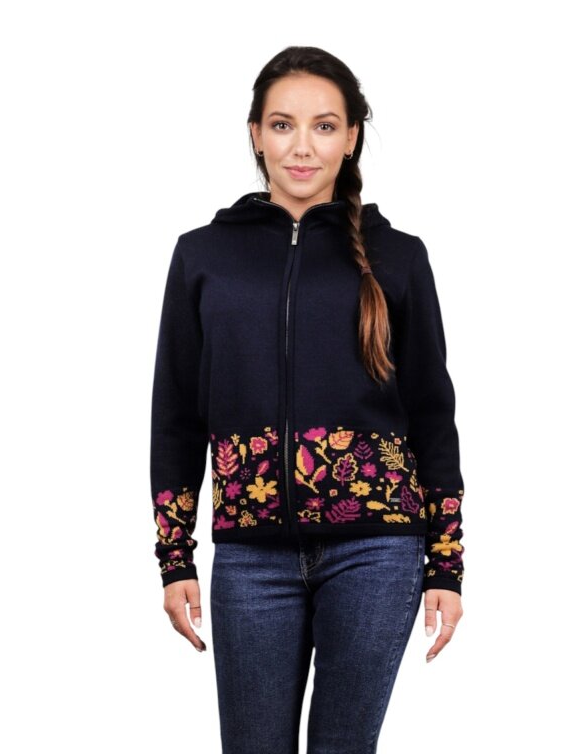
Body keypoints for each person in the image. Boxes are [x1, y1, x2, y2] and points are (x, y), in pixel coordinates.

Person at [150, 45, 465, 754]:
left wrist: (445, 562)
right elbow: (175, 416)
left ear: (351, 137)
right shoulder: (203, 255)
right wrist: (175, 557)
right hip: (250, 556)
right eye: (282, 124)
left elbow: (432, 416)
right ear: (256, 133)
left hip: (378, 547)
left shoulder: (398, 256)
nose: (302, 146)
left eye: (324, 126)